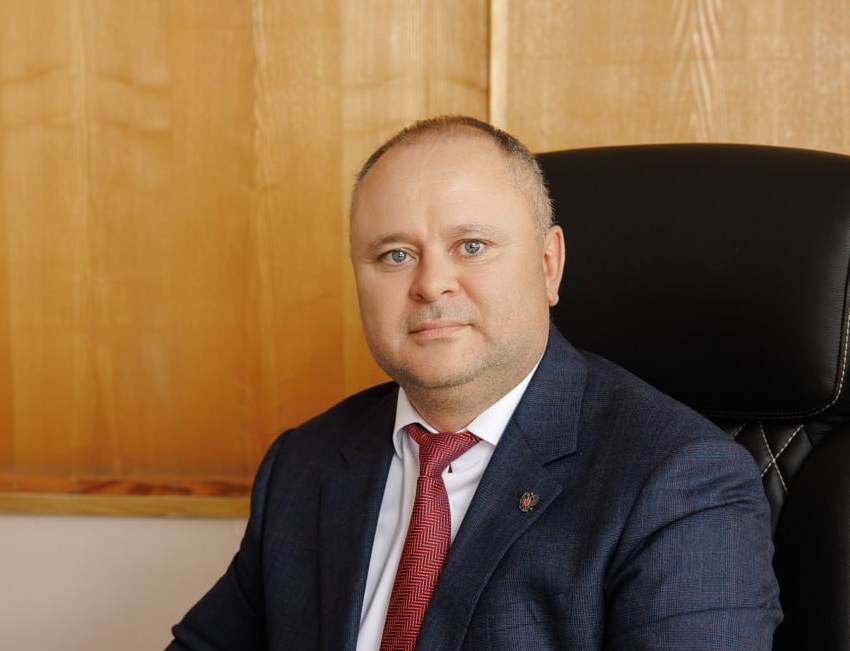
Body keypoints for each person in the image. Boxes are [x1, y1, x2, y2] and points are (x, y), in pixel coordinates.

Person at [167, 115, 781, 650]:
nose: (431, 283)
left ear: (548, 266)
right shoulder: (305, 463)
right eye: (395, 255)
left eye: (471, 245)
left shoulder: (679, 481)